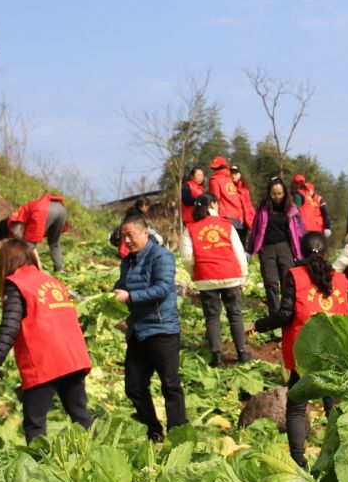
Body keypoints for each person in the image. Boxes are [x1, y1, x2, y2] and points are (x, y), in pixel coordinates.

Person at [249, 231, 348, 467]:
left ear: (300, 251)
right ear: (326, 252)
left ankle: (298, 461)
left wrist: (259, 325)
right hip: (335, 350)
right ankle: (338, 458)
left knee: (296, 407)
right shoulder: (341, 279)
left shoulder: (294, 275)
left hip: (304, 351)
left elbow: (285, 314)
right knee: (332, 405)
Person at [0, 240, 94, 442]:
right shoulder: (52, 282)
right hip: (73, 358)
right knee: (80, 416)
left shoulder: (17, 285)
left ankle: (38, 470)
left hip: (44, 362)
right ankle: (100, 462)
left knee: (35, 423)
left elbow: (9, 326)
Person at [114, 214, 185, 442]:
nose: (127, 240)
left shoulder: (161, 256)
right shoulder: (128, 261)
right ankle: (154, 432)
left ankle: (178, 436)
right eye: (123, 236)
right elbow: (122, 285)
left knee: (170, 385)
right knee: (133, 387)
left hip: (162, 329)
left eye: (130, 235)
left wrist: (130, 297)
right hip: (138, 331)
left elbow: (163, 288)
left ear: (145, 232)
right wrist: (111, 294)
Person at [181, 194, 253, 366]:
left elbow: (187, 258)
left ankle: (217, 356)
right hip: (230, 275)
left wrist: (194, 273)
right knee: (235, 314)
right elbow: (239, 252)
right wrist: (242, 276)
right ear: (213, 204)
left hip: (206, 277)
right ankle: (242, 352)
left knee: (212, 317)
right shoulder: (226, 224)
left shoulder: (190, 228)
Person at [248, 177, 307, 312]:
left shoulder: (291, 210)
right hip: (267, 248)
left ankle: (289, 312)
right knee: (271, 282)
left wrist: (303, 251)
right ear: (269, 193)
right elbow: (255, 230)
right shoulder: (263, 210)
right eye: (274, 193)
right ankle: (275, 315)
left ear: (285, 193)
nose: (277, 197)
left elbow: (300, 231)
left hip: (285, 247)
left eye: (280, 193)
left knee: (287, 281)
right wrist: (250, 250)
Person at [0, 193, 70, 273]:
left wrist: (39, 268)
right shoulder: (18, 216)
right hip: (60, 208)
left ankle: (33, 272)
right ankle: (59, 270)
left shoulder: (14, 224)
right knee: (54, 243)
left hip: (44, 211)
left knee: (27, 247)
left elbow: (28, 246)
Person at [208, 156, 256, 239]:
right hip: (237, 218)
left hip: (225, 216)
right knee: (238, 246)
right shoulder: (230, 180)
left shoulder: (215, 180)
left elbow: (215, 200)